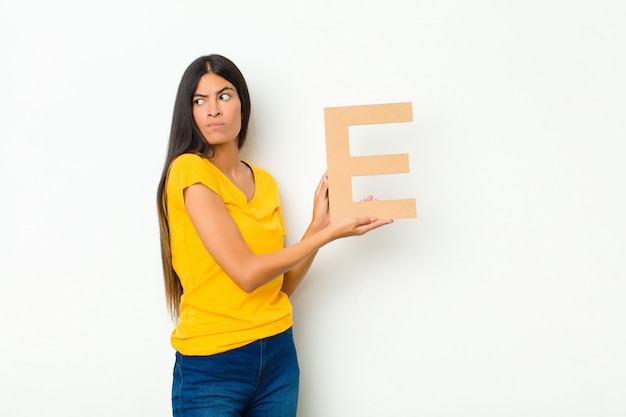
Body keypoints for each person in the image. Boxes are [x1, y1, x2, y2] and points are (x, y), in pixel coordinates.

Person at [156, 54, 393, 417]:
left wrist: (318, 226)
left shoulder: (264, 182)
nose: (213, 110)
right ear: (189, 112)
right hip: (213, 365)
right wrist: (325, 237)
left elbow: (277, 289)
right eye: (199, 101)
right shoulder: (189, 171)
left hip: (278, 357)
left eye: (224, 96)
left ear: (242, 105)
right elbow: (247, 273)